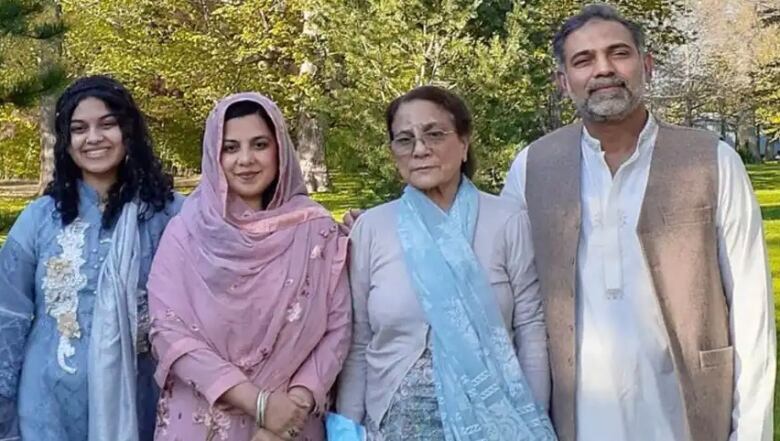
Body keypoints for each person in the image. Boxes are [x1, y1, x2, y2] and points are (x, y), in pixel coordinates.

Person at [501, 5, 775, 441]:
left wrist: (751, 432)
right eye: (583, 60)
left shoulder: (712, 160)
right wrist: (371, 230)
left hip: (688, 416)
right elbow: (500, 276)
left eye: (618, 53)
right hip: (575, 419)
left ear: (646, 65)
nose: (604, 69)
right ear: (562, 81)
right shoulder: (532, 166)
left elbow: (751, 306)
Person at [336, 85, 556, 441]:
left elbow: (530, 329)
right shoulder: (372, 228)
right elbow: (360, 340)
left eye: (434, 134)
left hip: (497, 419)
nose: (420, 149)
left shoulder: (507, 220)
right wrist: (347, 427)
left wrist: (531, 417)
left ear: (465, 143)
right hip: (395, 421)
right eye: (404, 139)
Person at [147, 93, 351, 441]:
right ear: (215, 155)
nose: (245, 160)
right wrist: (258, 404)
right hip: (202, 418)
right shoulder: (187, 232)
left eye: (259, 144)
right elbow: (168, 331)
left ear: (280, 150)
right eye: (230, 148)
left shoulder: (316, 230)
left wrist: (291, 410)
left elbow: (337, 327)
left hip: (291, 423)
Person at [0, 75, 182, 441]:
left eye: (108, 124)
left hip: (142, 405)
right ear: (66, 143)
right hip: (46, 410)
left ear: (129, 132)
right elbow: (8, 319)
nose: (93, 138)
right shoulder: (39, 219)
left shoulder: (171, 216)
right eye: (79, 129)